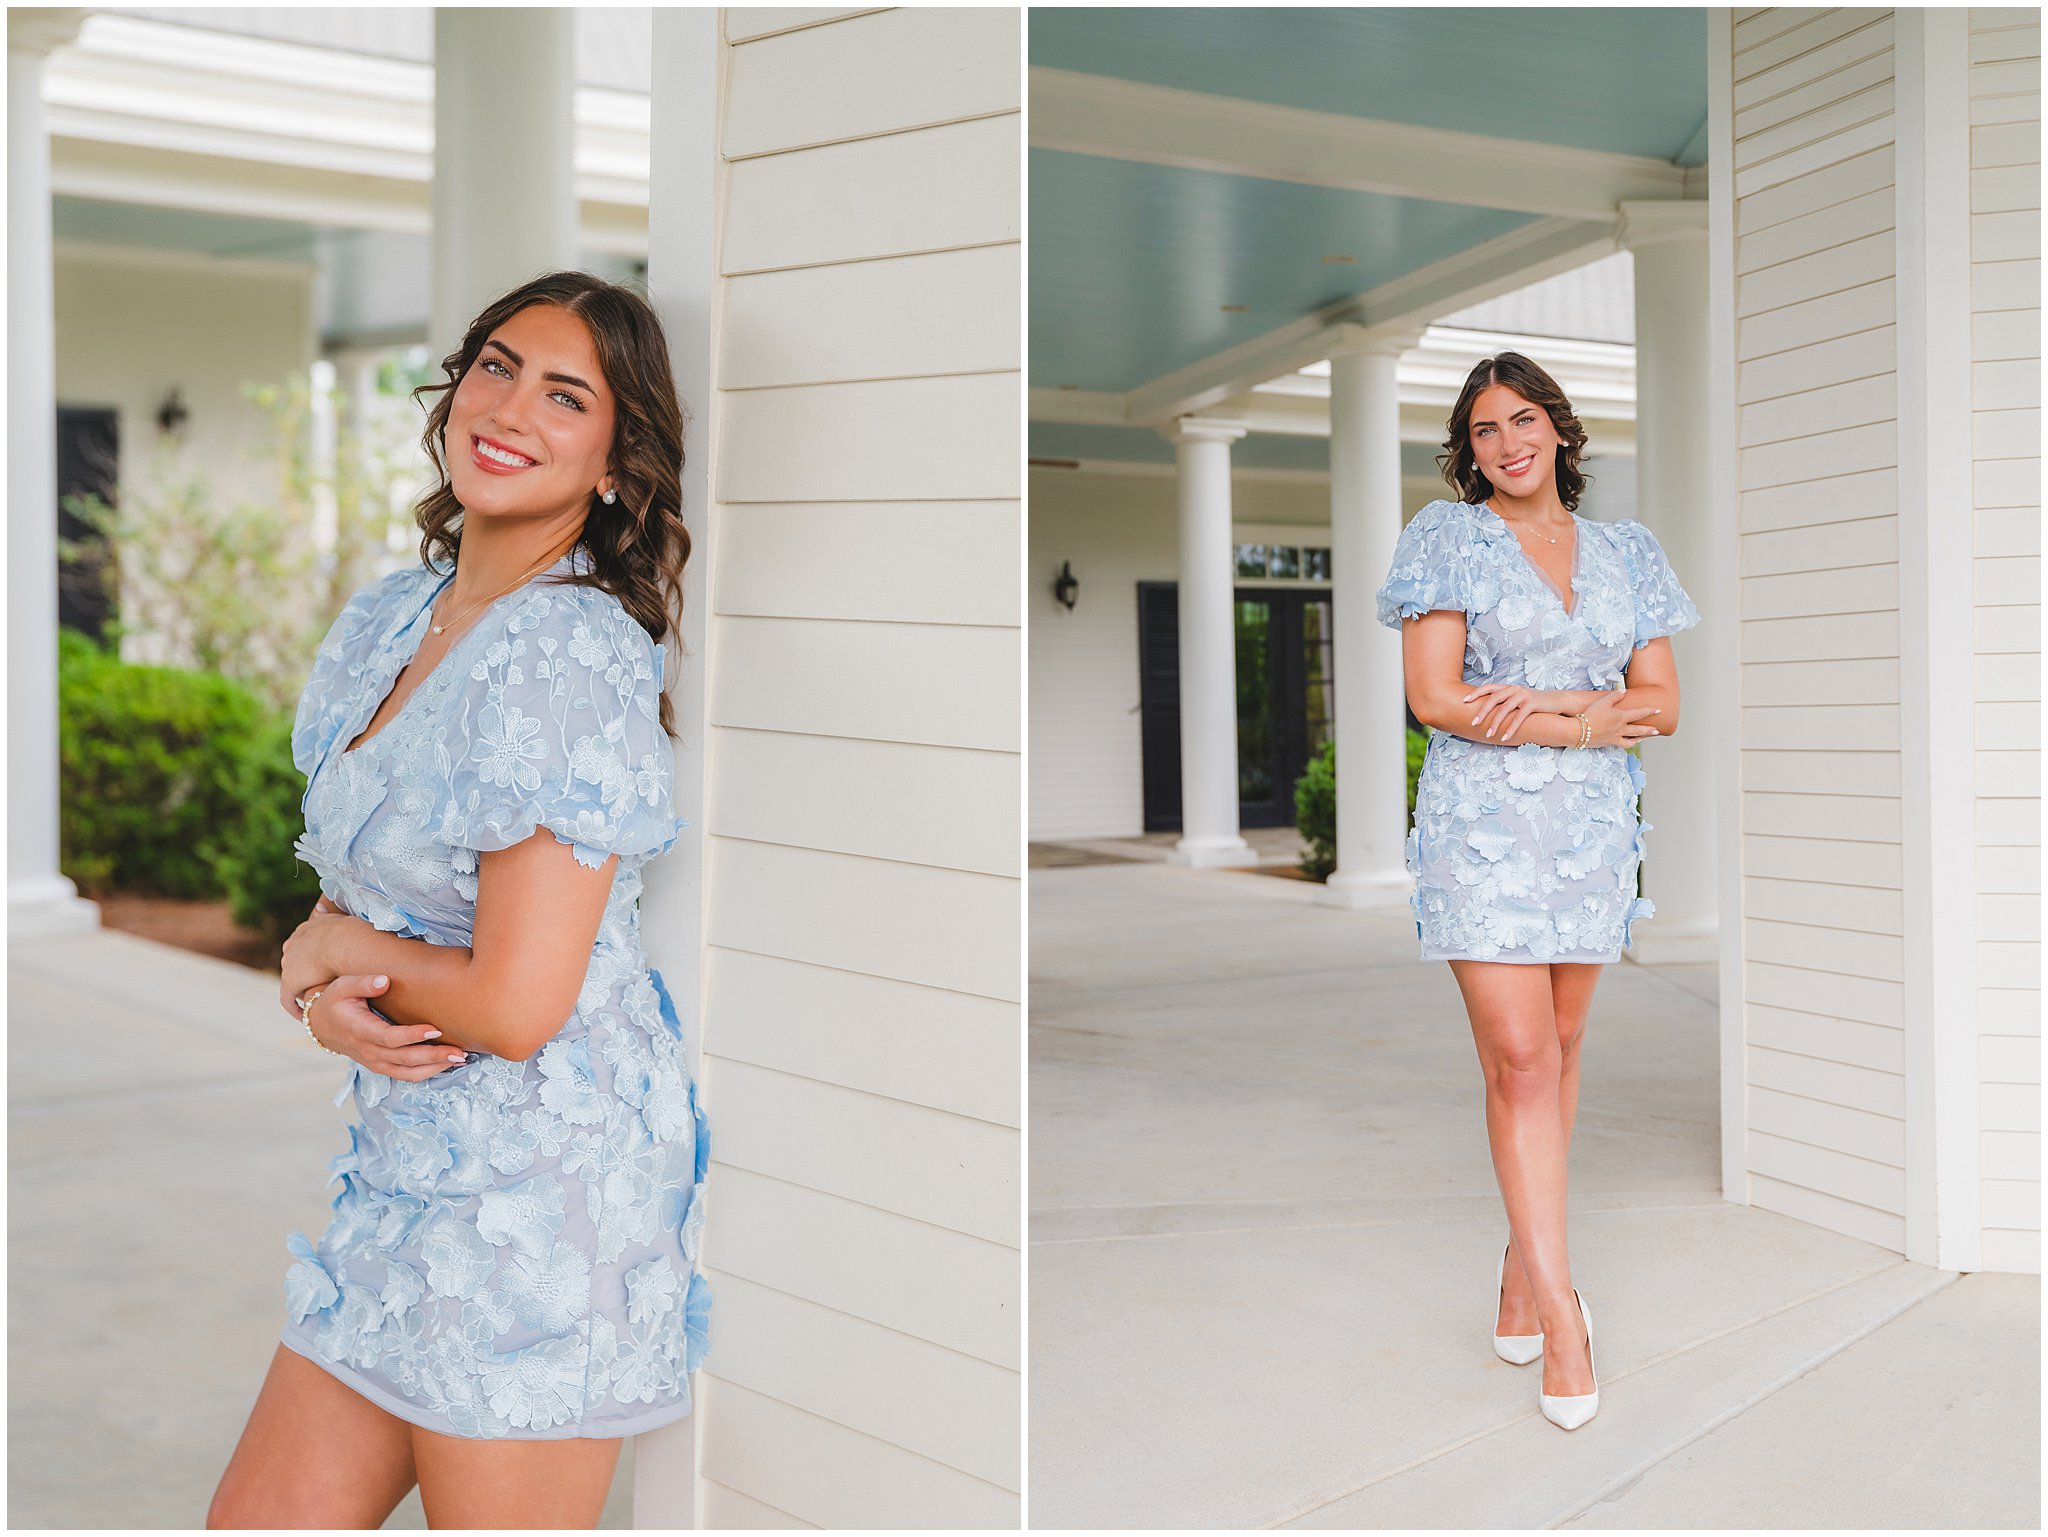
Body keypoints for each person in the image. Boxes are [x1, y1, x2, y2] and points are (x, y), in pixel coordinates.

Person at [208, 271, 707, 1527]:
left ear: (615, 461)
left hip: (536, 1208)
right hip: (400, 1173)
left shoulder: (567, 648)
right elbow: (362, 907)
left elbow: (518, 1002)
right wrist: (326, 989)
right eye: (496, 366)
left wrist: (334, 949)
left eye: (565, 395)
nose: (511, 409)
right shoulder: (394, 614)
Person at [1373, 351, 1699, 1432]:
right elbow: (1436, 697)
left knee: (1558, 1047)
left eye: (1522, 420)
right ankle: (1563, 1315)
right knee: (1518, 1058)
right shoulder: (1447, 538)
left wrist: (1553, 711)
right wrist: (1585, 718)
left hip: (1589, 834)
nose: (1506, 443)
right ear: (1467, 451)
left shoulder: (1628, 551)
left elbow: (1662, 703)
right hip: (1481, 831)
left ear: (1558, 429)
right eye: (1483, 429)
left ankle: (1521, 1268)